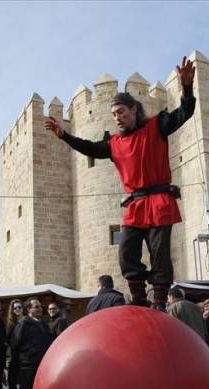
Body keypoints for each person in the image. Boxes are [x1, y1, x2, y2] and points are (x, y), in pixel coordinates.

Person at [44, 57, 196, 309]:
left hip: (159, 201)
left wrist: (187, 89)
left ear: (134, 109)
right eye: (114, 114)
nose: (117, 118)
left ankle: (159, 302)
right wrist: (64, 136)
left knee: (160, 256)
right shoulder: (115, 144)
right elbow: (90, 147)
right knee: (126, 254)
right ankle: (138, 299)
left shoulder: (157, 126)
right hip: (135, 205)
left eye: (121, 112)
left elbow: (185, 112)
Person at [10, 298, 53, 389]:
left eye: (41, 306)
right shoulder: (23, 324)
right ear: (28, 309)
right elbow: (15, 345)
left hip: (43, 366)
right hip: (28, 367)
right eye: (36, 306)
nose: (40, 308)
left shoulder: (44, 325)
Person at [4, 299, 25, 389]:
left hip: (25, 357)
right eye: (15, 308)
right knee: (11, 381)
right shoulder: (10, 324)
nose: (17, 309)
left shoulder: (27, 322)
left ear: (23, 309)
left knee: (25, 383)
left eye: (19, 307)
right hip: (13, 357)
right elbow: (7, 341)